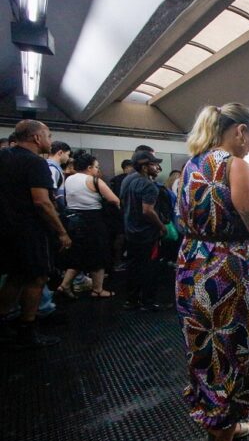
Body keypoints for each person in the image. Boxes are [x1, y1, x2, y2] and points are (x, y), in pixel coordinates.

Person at [176, 103, 249, 441]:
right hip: (228, 273)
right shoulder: (235, 165)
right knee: (233, 362)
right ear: (239, 131)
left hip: (193, 266)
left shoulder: (193, 165)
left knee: (209, 356)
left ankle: (227, 424)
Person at [0, 120, 72, 348]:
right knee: (36, 278)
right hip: (30, 230)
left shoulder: (4, 157)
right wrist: (61, 232)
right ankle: (27, 329)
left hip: (6, 228)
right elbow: (42, 202)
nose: (49, 141)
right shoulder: (35, 163)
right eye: (48, 136)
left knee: (15, 276)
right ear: (36, 138)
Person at [56, 150, 120, 299]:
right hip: (93, 220)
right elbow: (114, 199)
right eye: (96, 167)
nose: (97, 170)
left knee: (78, 254)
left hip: (73, 220)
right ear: (89, 167)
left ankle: (64, 285)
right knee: (99, 254)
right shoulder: (94, 180)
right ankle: (98, 290)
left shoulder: (69, 179)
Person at [120, 149, 167, 311]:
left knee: (133, 267)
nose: (157, 168)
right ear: (145, 167)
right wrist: (161, 227)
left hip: (130, 231)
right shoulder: (149, 185)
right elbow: (147, 210)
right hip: (147, 234)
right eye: (154, 164)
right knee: (149, 268)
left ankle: (131, 300)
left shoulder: (127, 180)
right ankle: (148, 302)